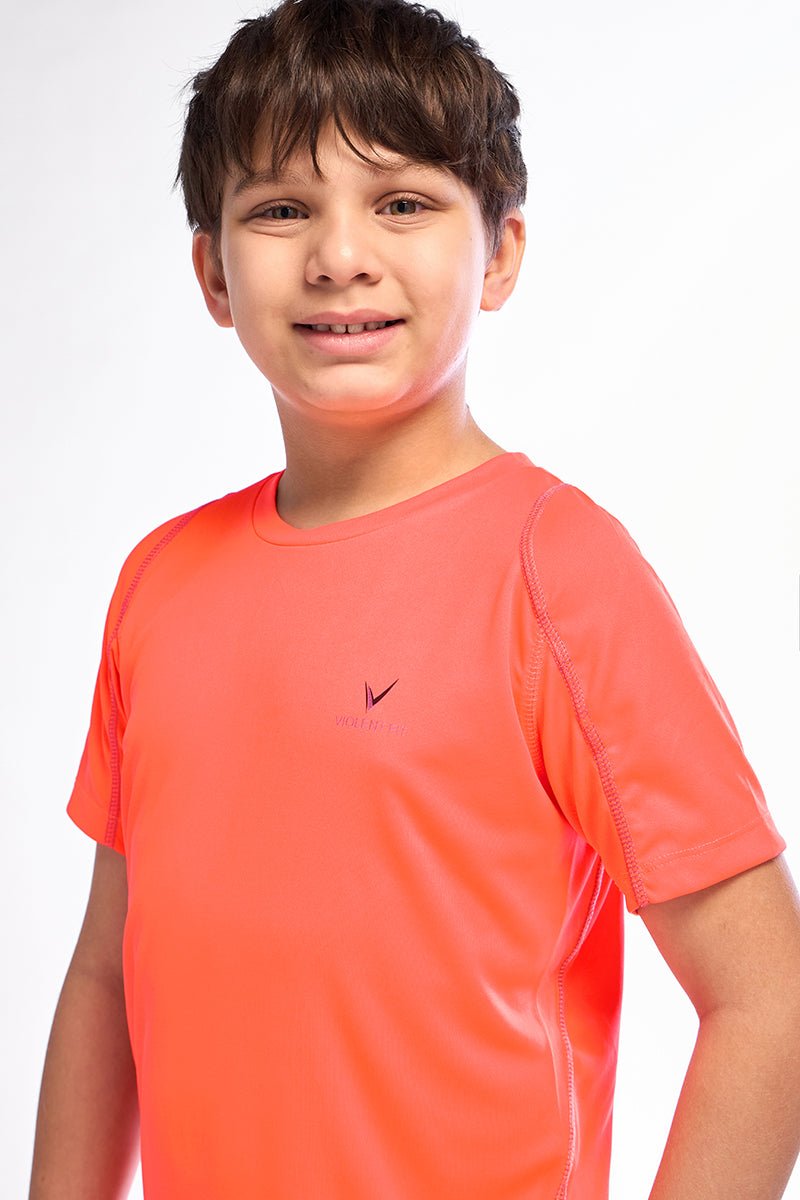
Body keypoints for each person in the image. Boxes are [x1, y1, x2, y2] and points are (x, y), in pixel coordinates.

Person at [29, 0, 800, 1197]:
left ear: (497, 254)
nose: (339, 255)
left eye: (400, 202)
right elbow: (104, 971)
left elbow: (767, 997)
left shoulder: (555, 570)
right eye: (280, 209)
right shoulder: (158, 582)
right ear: (213, 271)